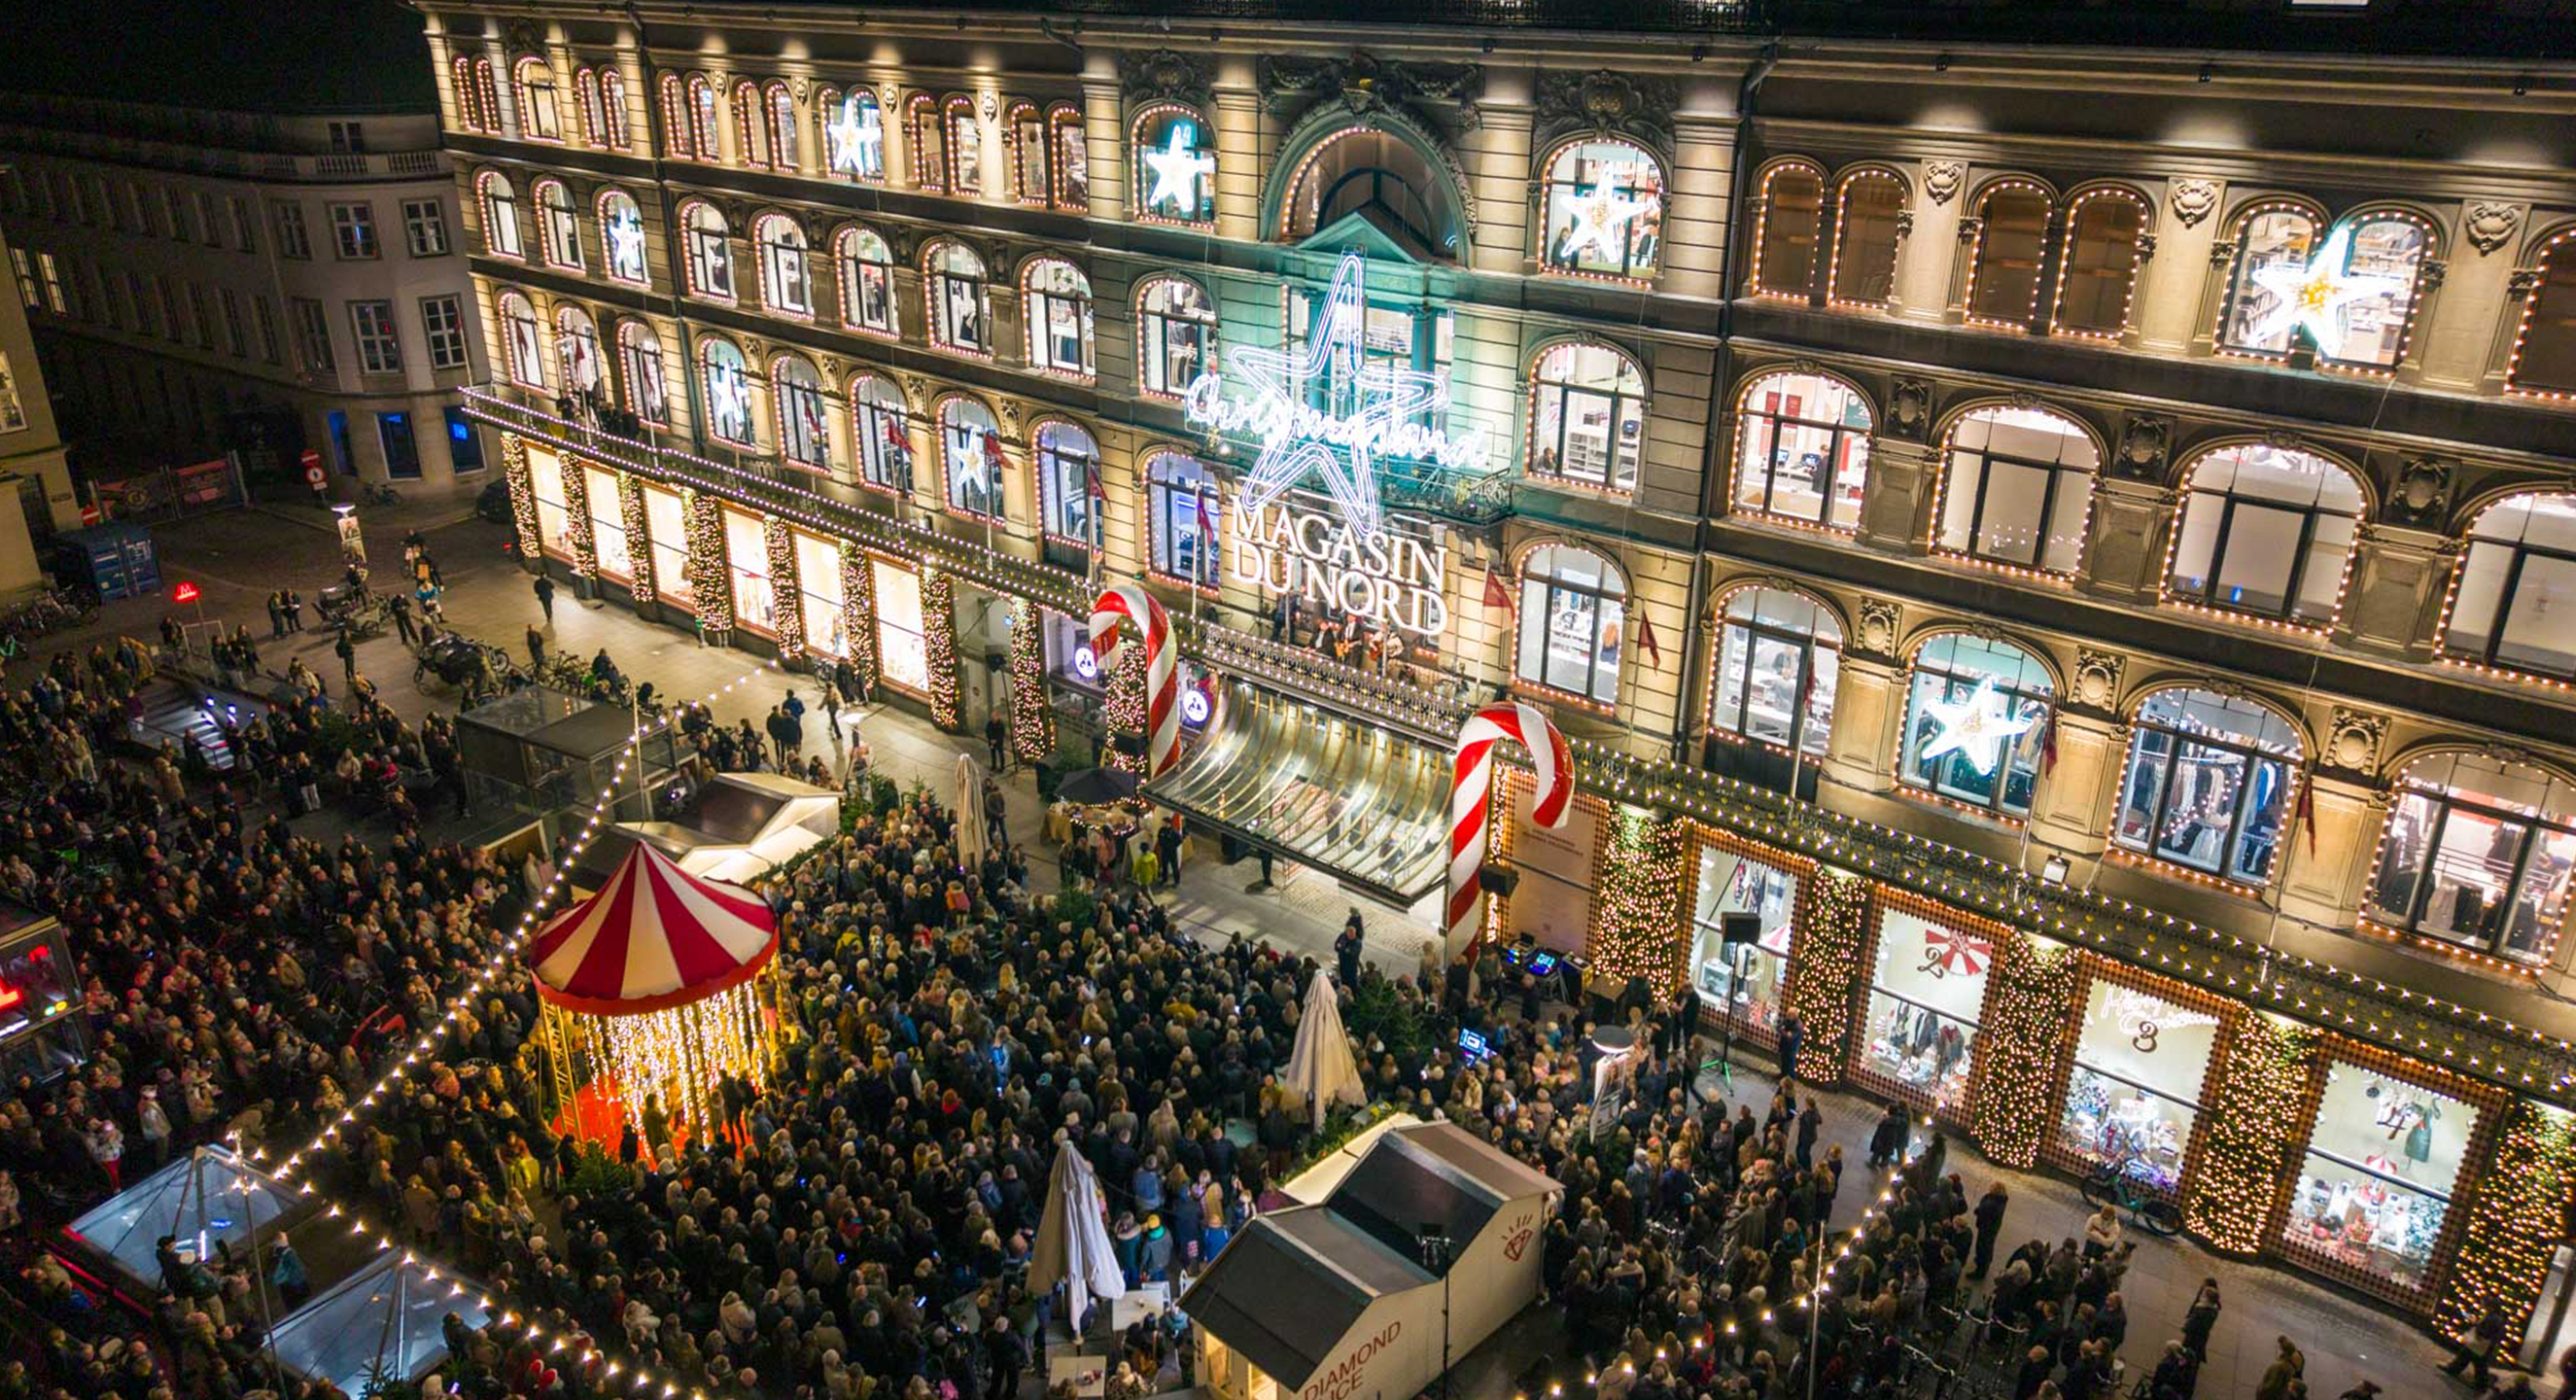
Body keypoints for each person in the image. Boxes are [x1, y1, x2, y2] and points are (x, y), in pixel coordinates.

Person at [2444, 1302, 2506, 1391]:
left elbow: (2486, 1332)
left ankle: (2480, 1384)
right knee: (2470, 1358)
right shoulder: (2495, 1318)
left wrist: (2476, 1325)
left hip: (2482, 1344)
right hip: (2484, 1344)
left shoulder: (2492, 1318)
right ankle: (2455, 1370)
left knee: (2476, 1362)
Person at [1972, 1180, 2009, 1278]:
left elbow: (1984, 1212)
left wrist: (1978, 1211)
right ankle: (1985, 1261)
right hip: (1991, 1228)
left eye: (1992, 1186)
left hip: (1986, 1229)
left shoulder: (1993, 1203)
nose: (1989, 1187)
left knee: (1983, 1248)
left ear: (1996, 1190)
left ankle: (1980, 1271)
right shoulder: (2000, 1199)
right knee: (1988, 1246)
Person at [1336, 909, 1364, 986]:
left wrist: (1344, 949)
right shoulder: (1343, 936)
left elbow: (1352, 952)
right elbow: (1337, 945)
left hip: (1351, 963)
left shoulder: (1357, 942)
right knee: (1343, 975)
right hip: (1342, 960)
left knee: (1350, 977)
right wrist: (1341, 949)